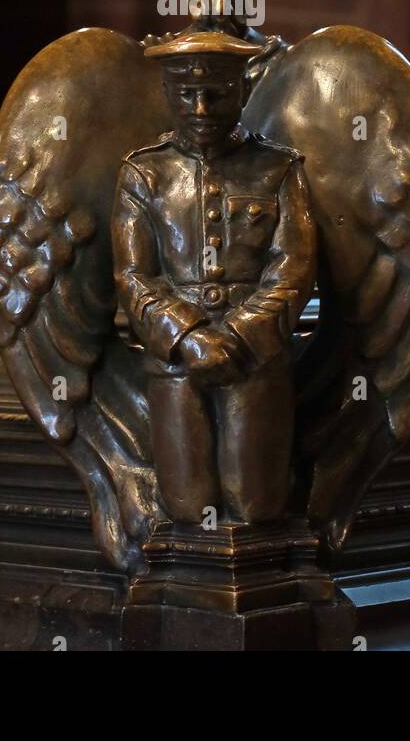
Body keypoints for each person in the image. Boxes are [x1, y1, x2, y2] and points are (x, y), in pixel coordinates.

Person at [112, 30, 316, 523]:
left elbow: (294, 267)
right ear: (167, 95)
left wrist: (241, 337)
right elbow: (135, 275)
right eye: (187, 94)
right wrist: (187, 337)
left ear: (243, 92)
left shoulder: (278, 170)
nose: (202, 108)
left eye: (218, 93)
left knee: (257, 504)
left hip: (256, 356)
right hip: (178, 359)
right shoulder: (145, 174)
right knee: (188, 504)